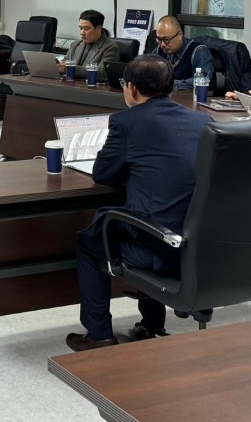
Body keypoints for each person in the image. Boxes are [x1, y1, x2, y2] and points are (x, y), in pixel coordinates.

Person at [66, 55, 213, 351]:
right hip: (200, 247)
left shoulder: (126, 121)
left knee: (90, 241)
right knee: (152, 216)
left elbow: (103, 173)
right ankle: (151, 325)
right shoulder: (203, 121)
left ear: (130, 88)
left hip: (160, 249)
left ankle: (99, 336)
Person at [152, 15, 213, 90]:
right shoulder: (160, 50)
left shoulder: (199, 51)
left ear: (180, 35)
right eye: (159, 39)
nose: (163, 44)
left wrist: (168, 84)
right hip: (167, 98)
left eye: (166, 39)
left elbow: (203, 81)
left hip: (191, 99)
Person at [60, 9, 120, 82]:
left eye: (86, 28)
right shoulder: (76, 44)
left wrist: (71, 68)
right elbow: (64, 63)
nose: (82, 32)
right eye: (80, 28)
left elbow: (104, 74)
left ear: (98, 29)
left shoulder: (110, 48)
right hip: (71, 85)